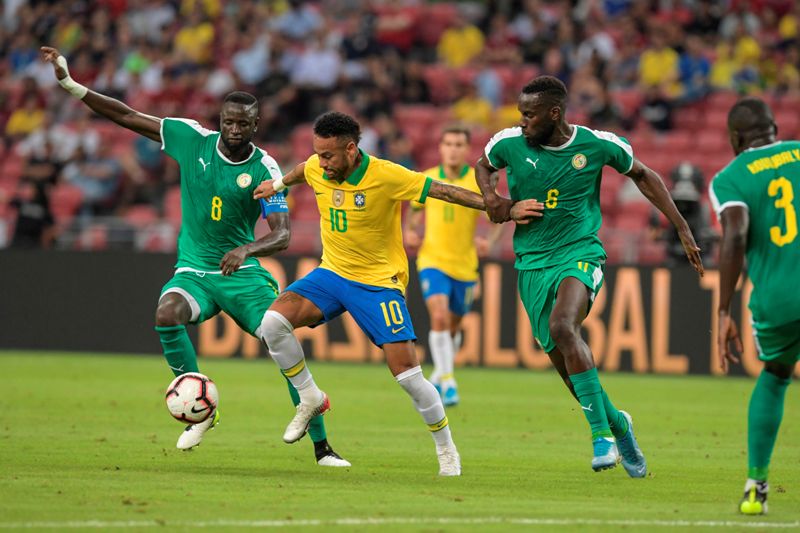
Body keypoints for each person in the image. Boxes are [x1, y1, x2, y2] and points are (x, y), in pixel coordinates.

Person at [40, 46, 349, 467]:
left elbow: (282, 235)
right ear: (219, 120)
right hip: (194, 271)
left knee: (279, 340)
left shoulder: (266, 168)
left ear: (256, 124)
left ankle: (322, 446)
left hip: (242, 276)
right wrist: (71, 84)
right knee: (166, 313)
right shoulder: (191, 139)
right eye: (228, 121)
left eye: (243, 122)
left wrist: (246, 248)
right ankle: (203, 409)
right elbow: (128, 116)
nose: (234, 128)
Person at [253, 111, 543, 476]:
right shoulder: (316, 167)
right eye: (318, 154)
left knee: (408, 375)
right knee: (273, 323)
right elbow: (300, 170)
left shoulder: (386, 174)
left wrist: (502, 206)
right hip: (331, 274)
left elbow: (444, 191)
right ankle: (310, 396)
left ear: (351, 149)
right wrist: (277, 185)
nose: (321, 163)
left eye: (328, 156)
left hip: (378, 283)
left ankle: (446, 448)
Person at [476, 76, 704, 476]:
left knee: (564, 326)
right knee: (565, 368)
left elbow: (645, 175)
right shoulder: (508, 143)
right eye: (520, 114)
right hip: (531, 261)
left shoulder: (598, 145)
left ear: (554, 113)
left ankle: (601, 437)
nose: (523, 122)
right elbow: (484, 167)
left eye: (530, 115)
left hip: (580, 252)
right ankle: (619, 424)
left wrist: (682, 227)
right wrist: (496, 200)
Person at [711, 97, 800, 515]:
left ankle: (755, 486)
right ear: (775, 129)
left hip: (779, 300)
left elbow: (734, 235)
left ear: (734, 138)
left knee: (777, 375)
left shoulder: (730, 178)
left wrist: (724, 308)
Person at [404, 125, 504, 406]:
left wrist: (490, 240)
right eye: (448, 143)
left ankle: (439, 372)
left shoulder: (477, 182)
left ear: (466, 149)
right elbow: (413, 214)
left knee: (452, 328)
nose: (453, 149)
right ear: (440, 147)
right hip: (432, 260)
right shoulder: (427, 179)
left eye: (459, 144)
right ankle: (448, 383)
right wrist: (410, 231)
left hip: (465, 266)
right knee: (439, 317)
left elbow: (498, 216)